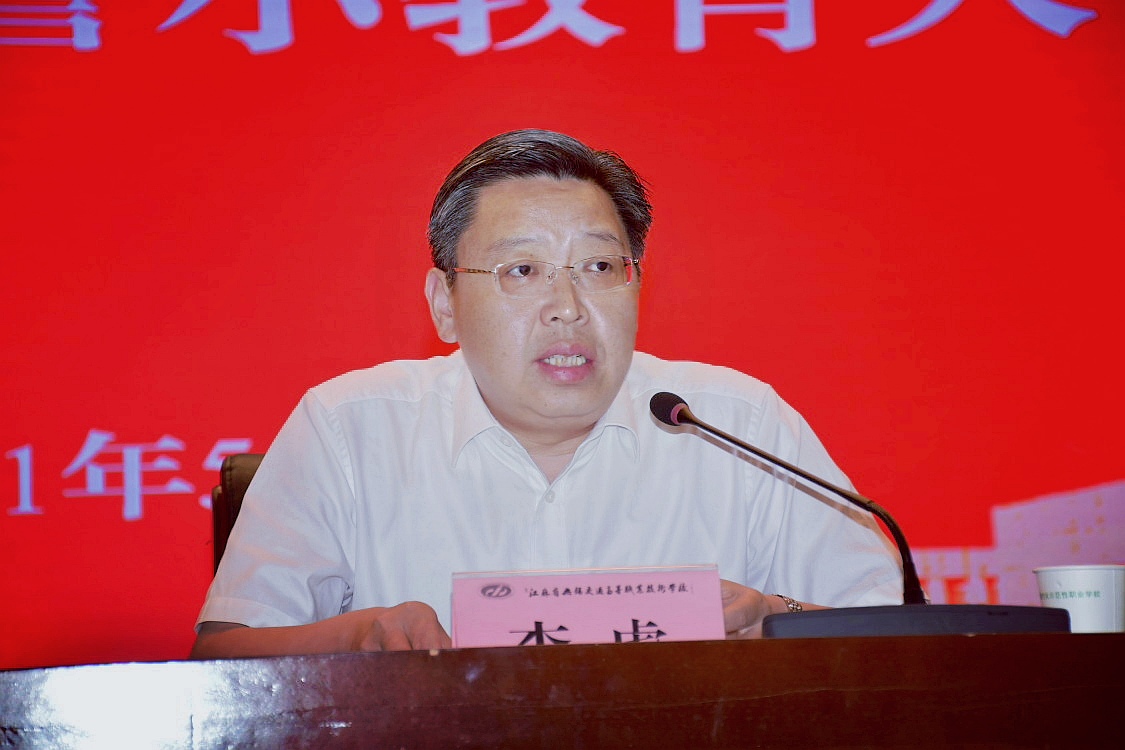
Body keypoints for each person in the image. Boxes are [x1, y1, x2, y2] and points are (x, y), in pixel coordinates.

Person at [191, 129, 902, 658]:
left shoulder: (740, 422)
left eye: (599, 266)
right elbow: (223, 654)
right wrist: (356, 639)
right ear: (444, 303)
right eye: (521, 271)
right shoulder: (348, 428)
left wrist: (773, 619)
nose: (567, 307)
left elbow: (902, 642)